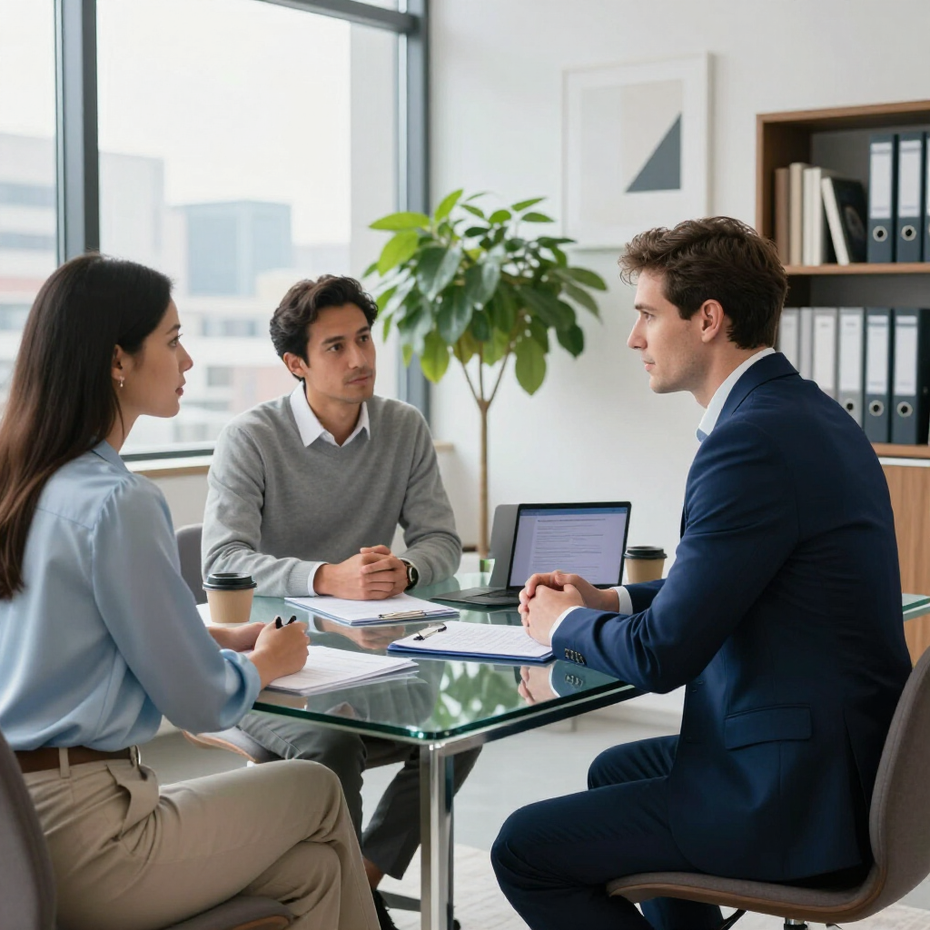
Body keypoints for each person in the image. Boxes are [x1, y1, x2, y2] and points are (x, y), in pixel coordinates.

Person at [490, 216, 913, 930]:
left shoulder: (748, 442)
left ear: (708, 318)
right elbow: (734, 582)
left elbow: (665, 656)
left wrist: (566, 624)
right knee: (614, 769)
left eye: (648, 315)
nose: (634, 339)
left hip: (797, 799)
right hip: (854, 765)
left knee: (524, 849)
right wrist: (613, 598)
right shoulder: (805, 414)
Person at [0, 254, 378, 930]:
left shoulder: (25, 486)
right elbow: (198, 700)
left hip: (19, 837)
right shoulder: (119, 502)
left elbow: (79, 641)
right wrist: (267, 663)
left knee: (314, 872)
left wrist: (215, 638)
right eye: (173, 342)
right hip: (97, 837)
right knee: (317, 790)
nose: (189, 362)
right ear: (118, 360)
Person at [201, 274, 474, 927]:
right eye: (335, 347)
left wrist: (402, 570)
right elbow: (221, 560)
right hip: (274, 663)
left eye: (364, 339)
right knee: (331, 739)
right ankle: (354, 909)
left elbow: (442, 539)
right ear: (295, 364)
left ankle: (360, 880)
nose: (359, 359)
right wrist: (327, 577)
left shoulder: (403, 427)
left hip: (372, 652)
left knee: (466, 724)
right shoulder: (251, 438)